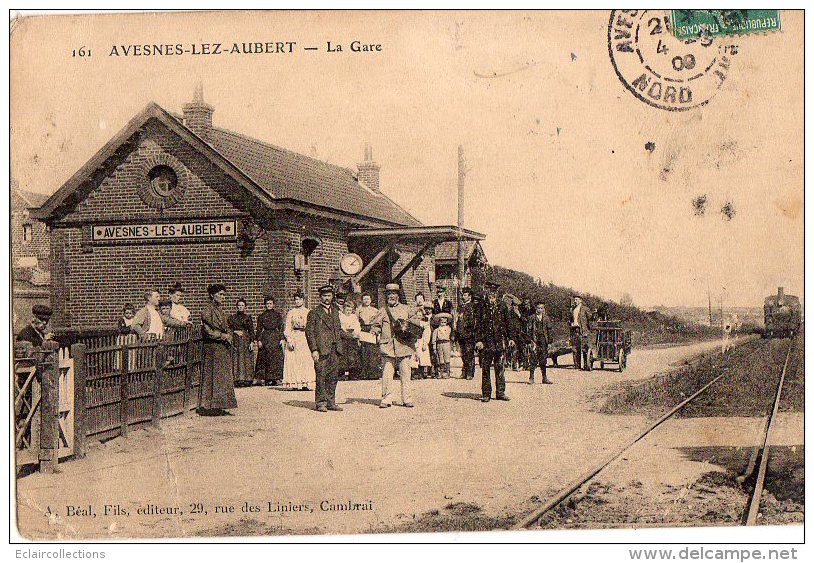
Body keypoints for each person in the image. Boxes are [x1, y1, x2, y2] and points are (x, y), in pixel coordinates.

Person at [370, 283, 422, 408]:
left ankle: (407, 399)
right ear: (386, 296)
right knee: (387, 374)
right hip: (387, 346)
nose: (391, 296)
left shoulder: (406, 309)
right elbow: (376, 325)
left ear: (398, 296)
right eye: (389, 294)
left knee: (405, 373)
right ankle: (387, 399)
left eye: (394, 294)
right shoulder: (382, 311)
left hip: (404, 345)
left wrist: (407, 324)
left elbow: (416, 323)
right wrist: (375, 330)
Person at [305, 284, 345, 412]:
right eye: (324, 296)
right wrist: (314, 350)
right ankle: (321, 402)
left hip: (335, 348)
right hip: (322, 350)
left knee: (333, 377)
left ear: (332, 296)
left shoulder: (335, 311)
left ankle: (331, 402)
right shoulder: (314, 313)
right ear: (320, 297)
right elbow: (309, 332)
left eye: (329, 295)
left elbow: (338, 330)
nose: (327, 298)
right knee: (321, 376)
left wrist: (354, 335)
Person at [199, 284, 238, 416]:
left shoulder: (221, 311)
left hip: (221, 348)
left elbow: (226, 327)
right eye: (220, 294)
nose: (223, 297)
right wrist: (223, 336)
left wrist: (229, 335)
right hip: (212, 348)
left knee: (222, 377)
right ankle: (209, 406)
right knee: (212, 376)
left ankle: (220, 405)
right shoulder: (207, 311)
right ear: (212, 295)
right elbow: (208, 331)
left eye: (223, 295)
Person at [475, 281, 516, 402]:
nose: (491, 294)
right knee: (486, 368)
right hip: (486, 342)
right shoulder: (482, 306)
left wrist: (511, 338)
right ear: (486, 292)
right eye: (489, 292)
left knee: (500, 367)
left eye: (494, 292)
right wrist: (478, 340)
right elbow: (477, 325)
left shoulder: (503, 306)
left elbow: (508, 323)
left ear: (497, 293)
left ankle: (500, 392)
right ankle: (486, 393)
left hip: (499, 341)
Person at [282, 291, 316, 390]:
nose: (297, 301)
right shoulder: (291, 312)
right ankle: (296, 383)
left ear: (303, 300)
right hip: (295, 336)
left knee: (305, 360)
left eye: (299, 299)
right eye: (296, 299)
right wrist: (289, 339)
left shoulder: (308, 312)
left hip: (305, 337)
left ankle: (306, 382)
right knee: (294, 360)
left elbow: (311, 326)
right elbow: (288, 327)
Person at [255, 295, 284, 386]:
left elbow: (281, 328)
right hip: (266, 337)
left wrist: (282, 338)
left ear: (273, 305)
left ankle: (275, 378)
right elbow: (259, 329)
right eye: (267, 304)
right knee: (265, 357)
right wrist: (259, 340)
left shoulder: (277, 315)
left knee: (275, 358)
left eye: (270, 304)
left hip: (275, 337)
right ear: (265, 305)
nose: (269, 305)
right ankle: (267, 378)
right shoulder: (262, 316)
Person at [228, 298, 256, 387]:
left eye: (242, 306)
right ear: (237, 307)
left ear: (245, 307)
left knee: (245, 359)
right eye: (239, 306)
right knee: (236, 358)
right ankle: (236, 379)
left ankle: (246, 379)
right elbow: (229, 329)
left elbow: (251, 331)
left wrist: (252, 342)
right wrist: (235, 332)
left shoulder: (247, 318)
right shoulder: (232, 318)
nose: (240, 307)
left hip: (245, 340)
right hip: (235, 340)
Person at [455, 287, 479, 380]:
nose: (463, 297)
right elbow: (457, 320)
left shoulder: (472, 306)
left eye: (465, 295)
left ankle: (470, 372)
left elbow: (473, 321)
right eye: (463, 295)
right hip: (461, 333)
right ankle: (464, 372)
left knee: (469, 353)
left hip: (469, 334)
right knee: (463, 353)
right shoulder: (460, 307)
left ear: (469, 296)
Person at [528, 301, 553, 384]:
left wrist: (549, 341)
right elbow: (529, 329)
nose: (540, 309)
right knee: (533, 358)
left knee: (543, 358)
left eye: (541, 308)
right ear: (536, 308)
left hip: (543, 339)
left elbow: (549, 330)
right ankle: (531, 377)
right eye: (538, 308)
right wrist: (529, 340)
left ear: (544, 309)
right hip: (534, 339)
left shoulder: (546, 318)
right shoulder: (532, 317)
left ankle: (544, 378)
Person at [357, 293, 381, 380]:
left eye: (368, 299)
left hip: (372, 329)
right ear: (362, 300)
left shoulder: (375, 310)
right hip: (363, 329)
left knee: (372, 352)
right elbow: (356, 321)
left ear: (371, 300)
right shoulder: (359, 310)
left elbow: (378, 322)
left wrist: (377, 333)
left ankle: (373, 373)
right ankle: (364, 373)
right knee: (364, 352)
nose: (366, 301)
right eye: (365, 299)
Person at [339, 299, 362, 379]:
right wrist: (345, 332)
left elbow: (357, 326)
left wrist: (355, 332)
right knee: (343, 356)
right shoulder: (341, 316)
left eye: (350, 310)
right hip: (344, 339)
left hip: (352, 339)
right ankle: (342, 374)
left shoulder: (353, 317)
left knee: (352, 356)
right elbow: (340, 327)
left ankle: (352, 374)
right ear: (344, 309)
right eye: (347, 310)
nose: (348, 312)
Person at [570, 295, 591, 370]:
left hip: (583, 330)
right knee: (575, 348)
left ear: (580, 300)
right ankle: (577, 365)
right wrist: (570, 323)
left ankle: (586, 365)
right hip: (574, 330)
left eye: (576, 299)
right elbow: (570, 319)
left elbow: (590, 319)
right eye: (574, 300)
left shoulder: (585, 309)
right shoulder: (572, 309)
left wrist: (588, 330)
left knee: (585, 348)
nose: (575, 301)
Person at [414, 304, 434, 379]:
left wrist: (425, 343)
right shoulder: (414, 323)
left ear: (422, 316)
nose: (418, 317)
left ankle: (422, 373)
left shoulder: (425, 324)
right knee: (415, 357)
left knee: (423, 357)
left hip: (422, 341)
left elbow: (427, 333)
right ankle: (415, 372)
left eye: (420, 315)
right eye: (417, 315)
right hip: (415, 341)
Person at [432, 312, 453, 378]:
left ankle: (447, 372)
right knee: (440, 358)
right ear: (439, 322)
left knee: (447, 358)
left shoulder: (449, 329)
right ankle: (440, 373)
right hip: (439, 344)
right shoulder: (436, 330)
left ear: (446, 322)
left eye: (444, 322)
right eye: (441, 322)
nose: (443, 324)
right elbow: (434, 339)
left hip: (446, 343)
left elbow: (451, 337)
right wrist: (434, 347)